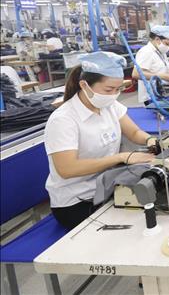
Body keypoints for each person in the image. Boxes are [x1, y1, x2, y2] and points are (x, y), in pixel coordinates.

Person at [44, 52, 157, 229]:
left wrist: (150, 140)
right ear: (84, 85)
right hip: (77, 201)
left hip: (108, 186)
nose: (114, 95)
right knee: (140, 224)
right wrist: (121, 157)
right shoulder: (63, 120)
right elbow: (67, 169)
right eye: (108, 90)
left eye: (118, 89)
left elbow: (134, 132)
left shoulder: (109, 106)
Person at [133, 25, 169, 105]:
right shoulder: (146, 52)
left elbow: (162, 69)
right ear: (157, 39)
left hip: (162, 91)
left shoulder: (160, 51)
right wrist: (162, 76)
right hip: (151, 95)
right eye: (167, 43)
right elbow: (136, 74)